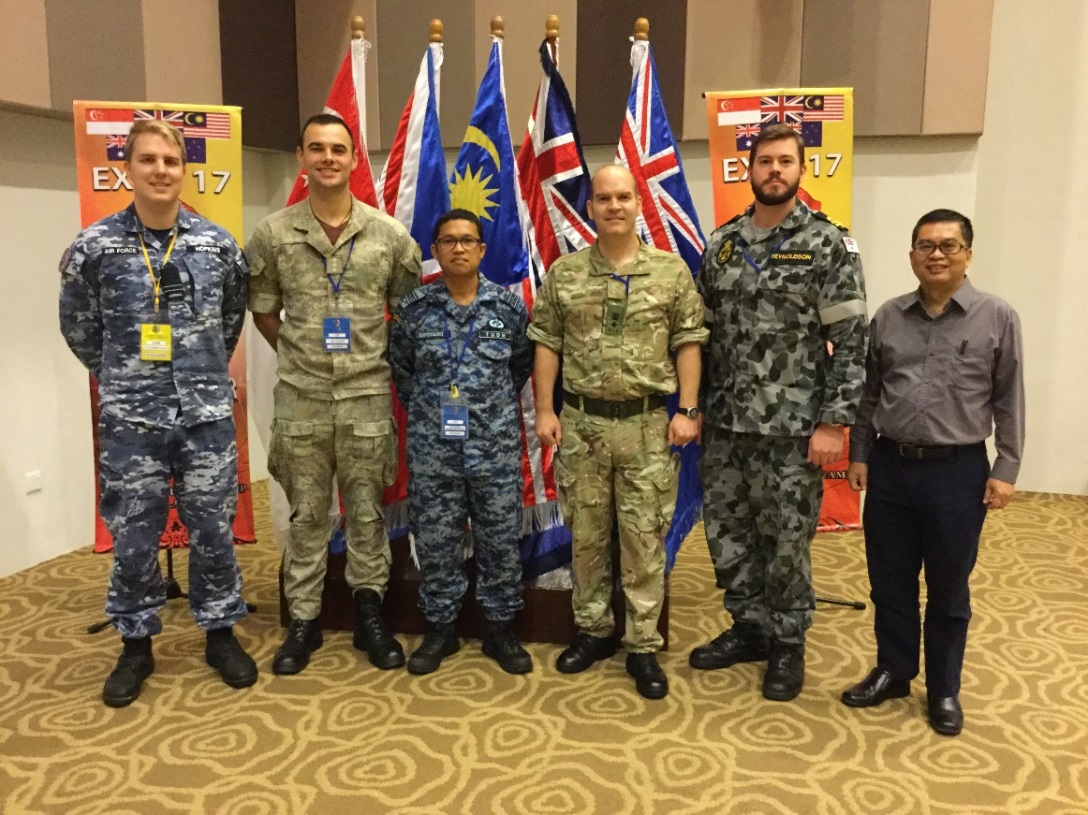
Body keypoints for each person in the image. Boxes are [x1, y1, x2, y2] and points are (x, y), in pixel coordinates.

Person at [59, 119, 256, 707]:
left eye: (171, 160)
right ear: (127, 168)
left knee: (213, 529)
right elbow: (79, 329)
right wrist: (127, 378)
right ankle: (136, 644)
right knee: (134, 536)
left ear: (184, 168)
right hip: (131, 421)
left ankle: (220, 633)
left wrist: (195, 373)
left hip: (204, 417)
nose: (161, 170)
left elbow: (229, 324)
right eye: (148, 160)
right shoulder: (94, 248)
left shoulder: (217, 245)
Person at [692, 123, 868, 701]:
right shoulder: (720, 246)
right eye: (764, 161)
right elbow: (700, 334)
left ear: (801, 170)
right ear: (749, 170)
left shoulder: (826, 244)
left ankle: (788, 643)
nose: (774, 170)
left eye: (785, 162)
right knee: (728, 533)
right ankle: (750, 628)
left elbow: (851, 340)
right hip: (724, 424)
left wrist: (833, 422)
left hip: (793, 430)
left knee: (787, 541)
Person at [246, 114, 421, 675]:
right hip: (302, 398)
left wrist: (360, 358)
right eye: (317, 148)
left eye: (338, 150)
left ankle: (370, 611)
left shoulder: (389, 235)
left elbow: (409, 312)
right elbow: (265, 312)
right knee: (306, 514)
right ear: (301, 155)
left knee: (368, 511)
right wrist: (305, 357)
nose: (328, 158)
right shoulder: (273, 235)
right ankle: (303, 620)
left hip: (368, 394)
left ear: (353, 159)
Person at [528, 164, 708, 700]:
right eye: (603, 198)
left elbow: (689, 343)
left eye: (623, 197)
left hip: (649, 424)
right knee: (586, 536)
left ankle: (643, 644)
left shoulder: (671, 272)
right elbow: (547, 344)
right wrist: (544, 410)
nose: (613, 206)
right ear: (591, 208)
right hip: (581, 424)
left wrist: (689, 411)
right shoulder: (565, 273)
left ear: (637, 203)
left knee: (643, 539)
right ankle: (592, 631)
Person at [842, 209, 1024, 736]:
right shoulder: (889, 317)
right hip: (891, 467)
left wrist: (1007, 465)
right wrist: (858, 452)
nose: (936, 254)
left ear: (968, 253)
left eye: (948, 245)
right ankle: (894, 670)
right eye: (925, 245)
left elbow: (1010, 397)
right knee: (889, 581)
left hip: (957, 472)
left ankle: (944, 688)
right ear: (912, 256)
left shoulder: (997, 316)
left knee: (948, 588)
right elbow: (868, 392)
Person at [389, 209, 534, 675]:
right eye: (448, 241)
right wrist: (434, 412)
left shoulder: (508, 310)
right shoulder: (414, 310)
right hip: (434, 453)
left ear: (482, 250)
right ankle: (441, 629)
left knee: (498, 541)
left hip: (494, 451)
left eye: (467, 240)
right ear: (434, 251)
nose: (458, 248)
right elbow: (403, 372)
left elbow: (519, 368)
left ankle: (499, 629)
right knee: (435, 541)